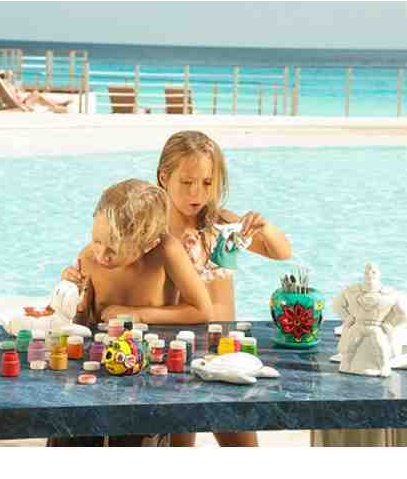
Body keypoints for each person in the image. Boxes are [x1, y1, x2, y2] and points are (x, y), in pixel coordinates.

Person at [61, 131, 292, 447]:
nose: (197, 193)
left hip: (222, 344)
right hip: (176, 346)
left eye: (207, 183)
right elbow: (112, 264)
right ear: (163, 177)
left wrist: (263, 227)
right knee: (181, 438)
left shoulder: (220, 225)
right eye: (187, 182)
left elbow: (282, 252)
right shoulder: (148, 232)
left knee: (238, 439)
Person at [48, 178, 213, 447]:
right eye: (96, 240)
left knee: (135, 437)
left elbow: (202, 310)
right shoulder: (89, 258)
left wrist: (137, 314)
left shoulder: (166, 252)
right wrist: (74, 299)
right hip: (97, 370)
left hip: (148, 373)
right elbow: (82, 324)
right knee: (70, 430)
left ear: (148, 245)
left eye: (112, 248)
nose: (100, 254)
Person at [0, 70, 70, 113]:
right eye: (4, 76)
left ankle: (57, 105)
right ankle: (55, 107)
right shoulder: (4, 87)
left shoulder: (7, 87)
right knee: (36, 94)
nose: (7, 77)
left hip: (22, 103)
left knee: (37, 95)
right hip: (21, 105)